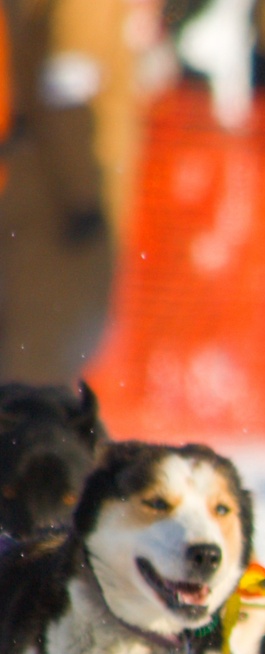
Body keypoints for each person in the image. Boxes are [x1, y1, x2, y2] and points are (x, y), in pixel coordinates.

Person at [0, 0, 163, 386]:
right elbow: (66, 90)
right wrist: (83, 199)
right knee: (37, 379)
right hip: (62, 206)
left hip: (52, 192)